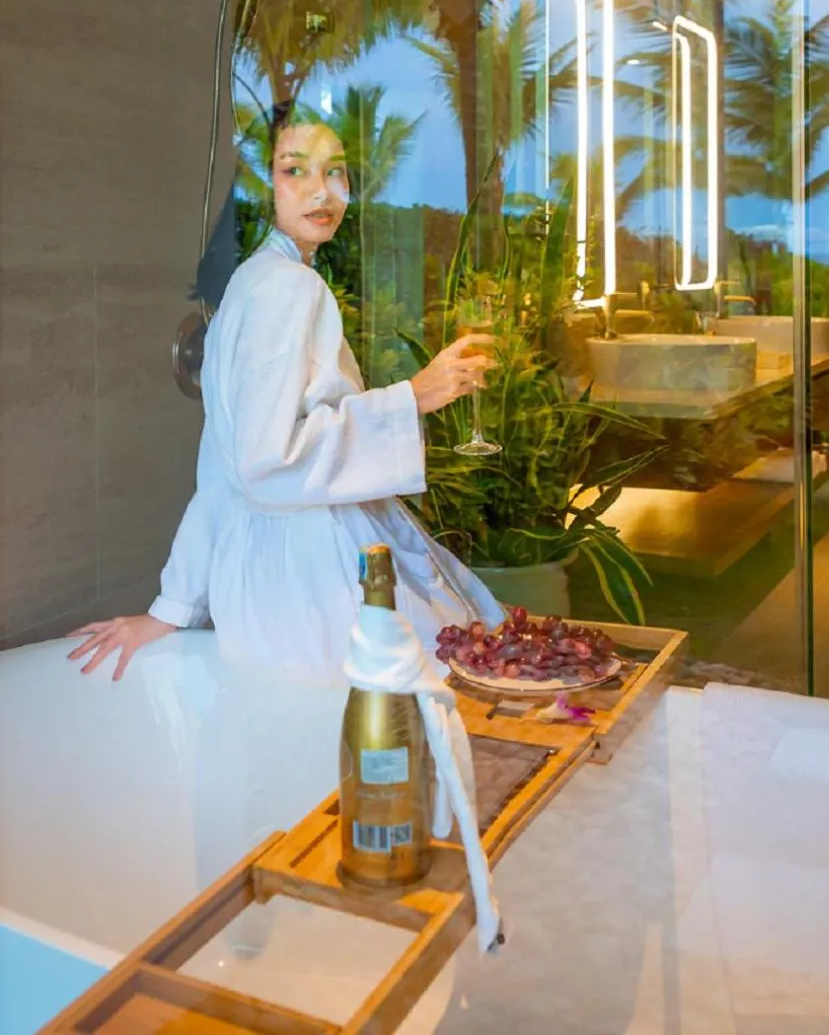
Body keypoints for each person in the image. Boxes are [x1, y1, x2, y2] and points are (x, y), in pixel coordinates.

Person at [68, 111, 504, 683]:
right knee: (388, 711)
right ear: (262, 186)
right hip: (311, 577)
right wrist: (413, 397)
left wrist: (170, 606)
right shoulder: (289, 288)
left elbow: (222, 469)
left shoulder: (253, 281)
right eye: (294, 170)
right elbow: (264, 462)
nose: (321, 191)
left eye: (335, 171)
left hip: (266, 575)